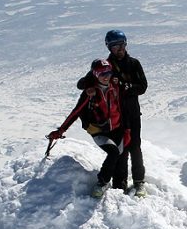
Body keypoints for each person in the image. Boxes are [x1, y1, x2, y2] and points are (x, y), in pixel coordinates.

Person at [77, 30, 148, 195]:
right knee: (121, 151)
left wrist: (127, 87)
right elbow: (83, 82)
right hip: (116, 117)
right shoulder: (106, 66)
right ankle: (119, 184)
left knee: (135, 147)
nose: (120, 49)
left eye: (122, 45)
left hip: (132, 113)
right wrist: (88, 86)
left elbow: (143, 86)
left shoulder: (134, 64)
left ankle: (139, 182)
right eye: (115, 46)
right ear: (109, 48)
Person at [49, 59, 130, 197]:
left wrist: (127, 128)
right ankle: (102, 183)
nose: (106, 76)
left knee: (122, 157)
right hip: (100, 131)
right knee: (114, 153)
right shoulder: (91, 92)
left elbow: (123, 106)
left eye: (108, 72)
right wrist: (60, 130)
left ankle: (120, 188)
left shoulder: (115, 85)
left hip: (118, 128)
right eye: (101, 73)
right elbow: (76, 112)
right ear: (95, 74)